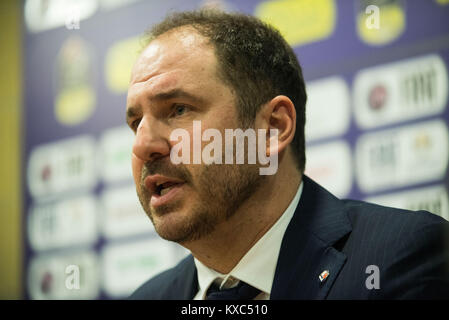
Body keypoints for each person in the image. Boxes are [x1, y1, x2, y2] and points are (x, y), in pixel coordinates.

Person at [126, 9, 449, 299]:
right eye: (136, 122)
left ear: (273, 127)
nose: (142, 145)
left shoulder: (401, 259)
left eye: (178, 109)